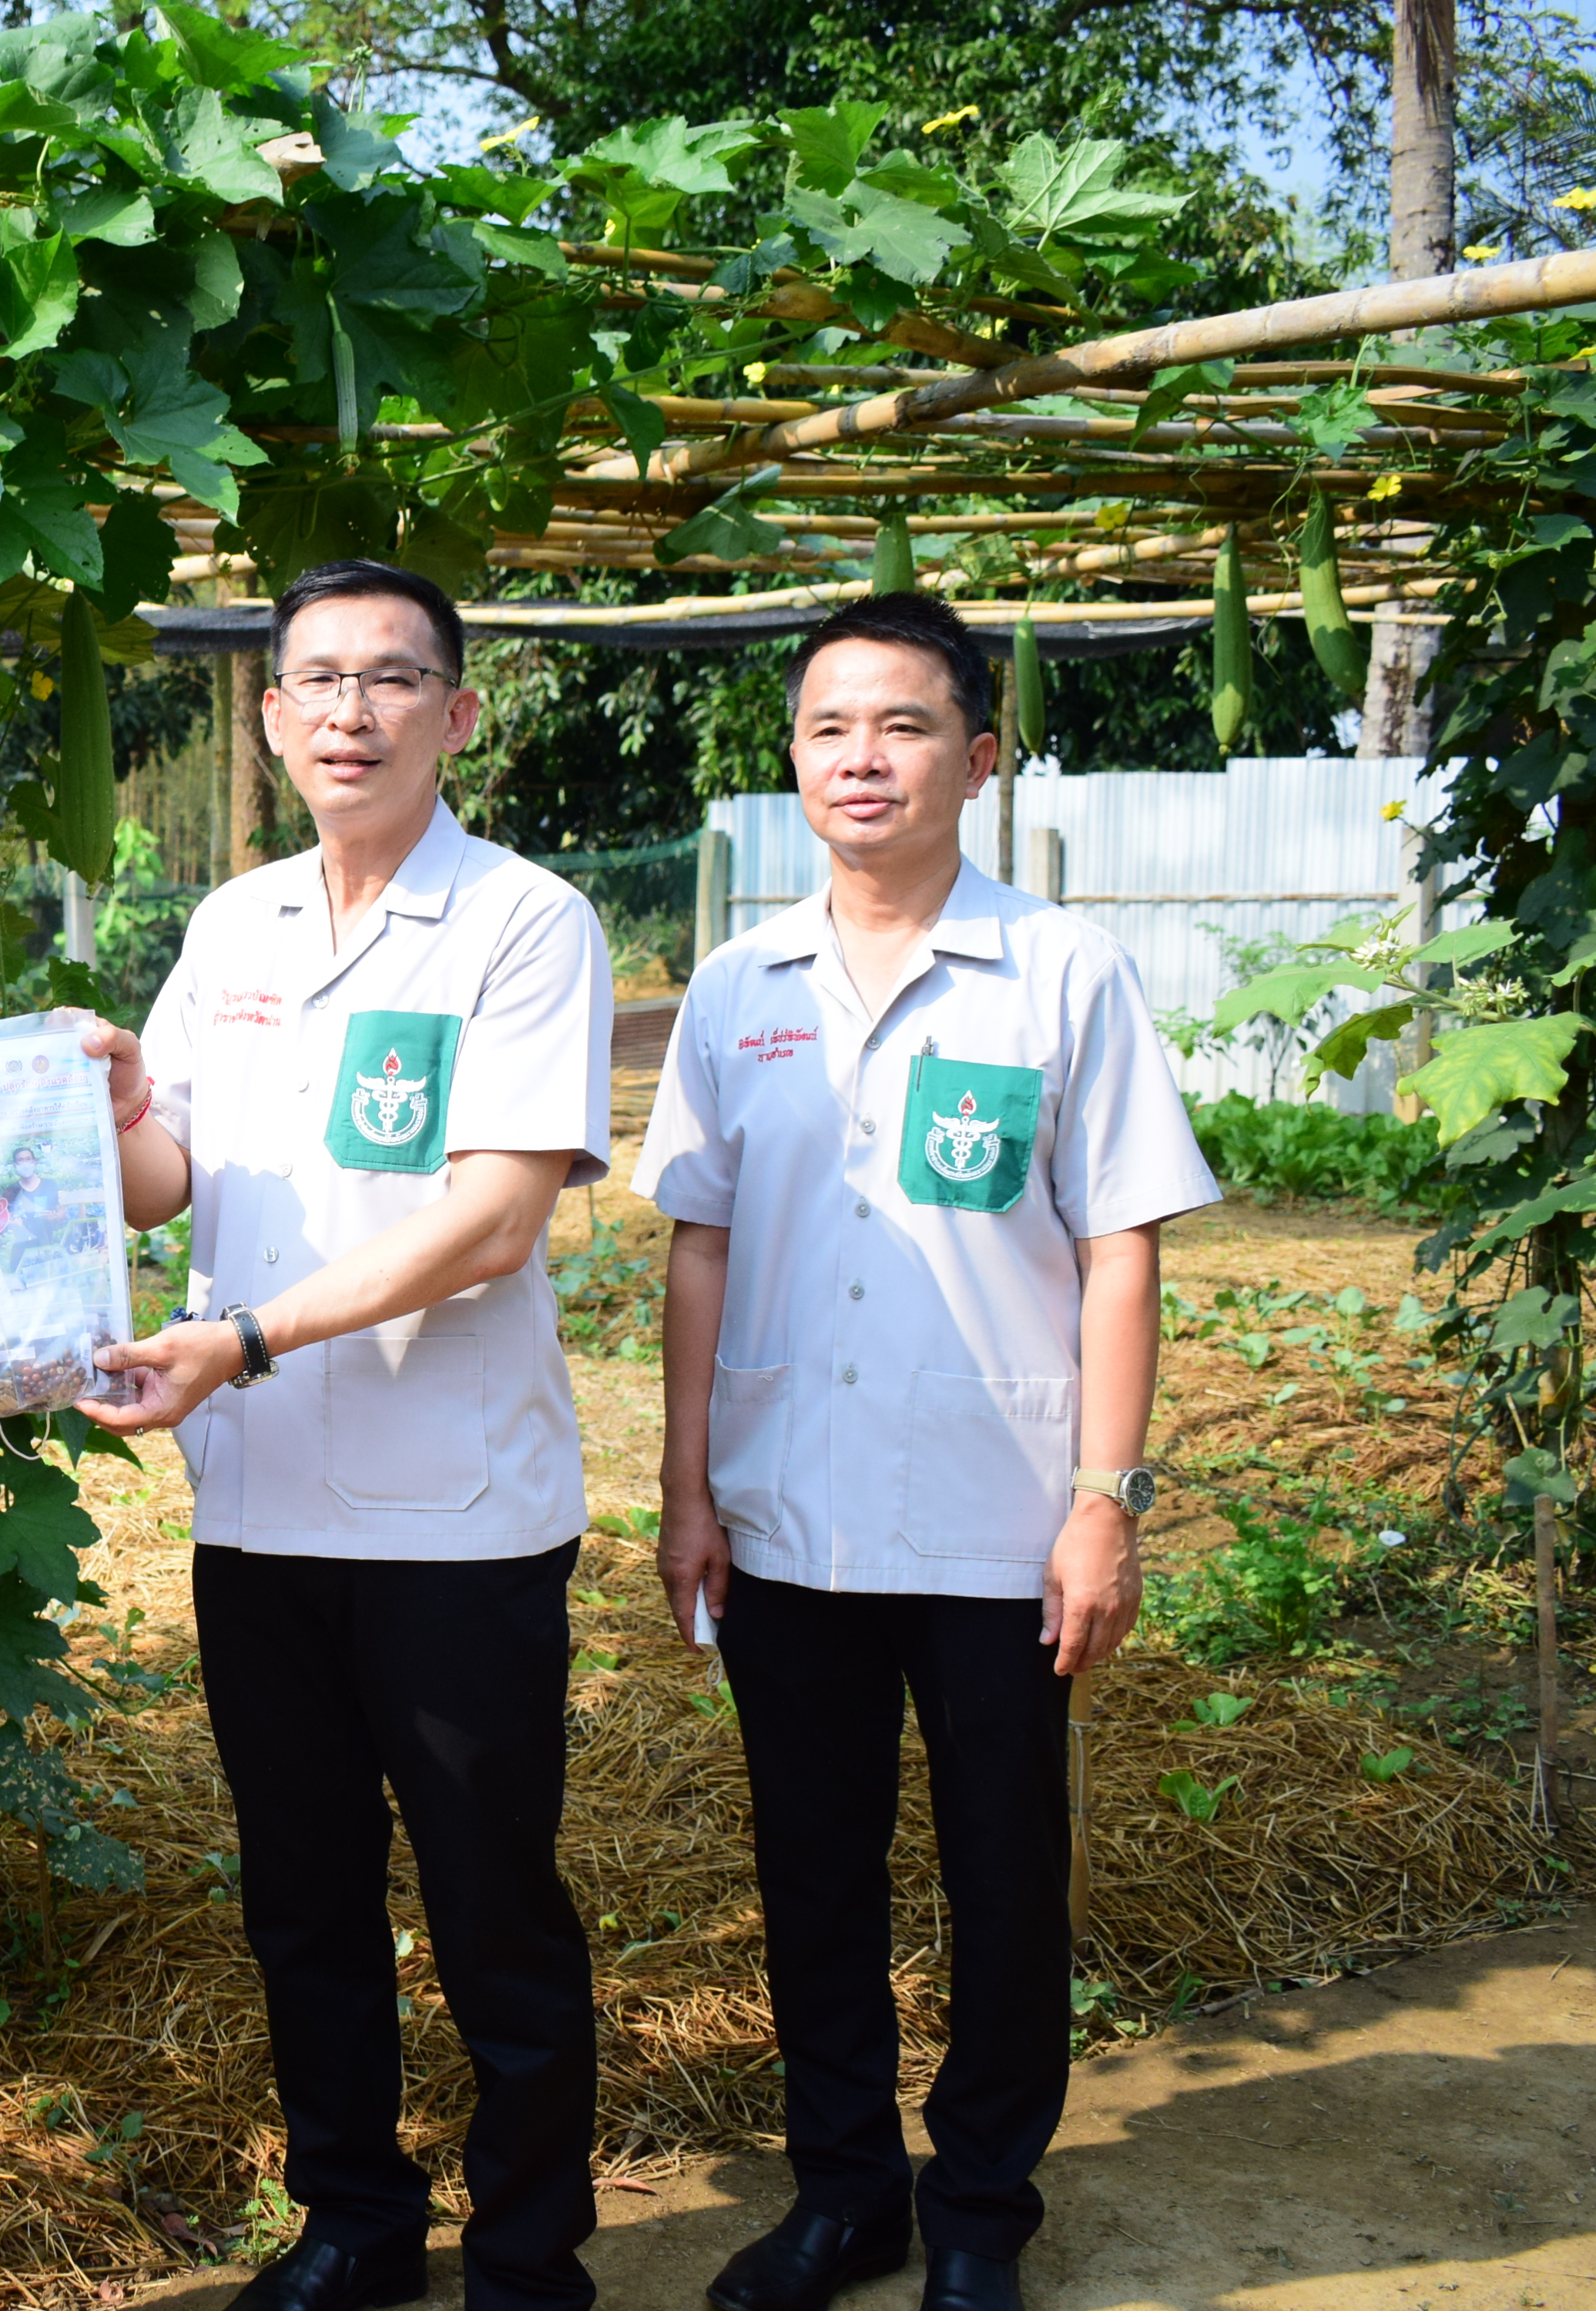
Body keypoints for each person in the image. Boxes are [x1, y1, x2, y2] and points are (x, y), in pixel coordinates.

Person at [634, 593, 1219, 2311]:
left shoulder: (1057, 970)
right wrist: (684, 1489)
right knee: (808, 1874)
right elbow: (699, 1246)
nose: (859, 757)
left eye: (898, 726)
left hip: (993, 1520)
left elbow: (1121, 1244)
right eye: (828, 729)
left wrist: (1102, 1505)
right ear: (797, 766)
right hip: (786, 1518)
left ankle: (976, 2212)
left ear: (975, 758)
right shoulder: (740, 987)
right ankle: (843, 2194)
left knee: (1003, 1882)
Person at [80, 560, 615, 2311]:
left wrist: (242, 1337)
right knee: (302, 1901)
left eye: (391, 680)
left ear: (456, 716)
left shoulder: (525, 922)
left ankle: (530, 2253)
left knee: (491, 1913)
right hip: (260, 1513)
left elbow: (491, 1219)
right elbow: (174, 1181)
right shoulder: (232, 926)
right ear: (267, 717)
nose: (349, 711)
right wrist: (110, 1116)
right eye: (314, 680)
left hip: (452, 1522)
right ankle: (354, 2222)